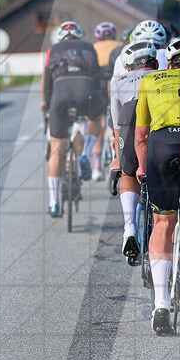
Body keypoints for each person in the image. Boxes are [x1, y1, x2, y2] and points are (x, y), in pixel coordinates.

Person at [133, 37, 180, 335]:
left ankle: (161, 304)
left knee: (163, 221)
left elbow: (140, 135)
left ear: (167, 64)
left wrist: (141, 167)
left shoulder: (150, 79)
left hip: (161, 146)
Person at [41, 21, 106, 217]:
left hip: (59, 96)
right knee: (96, 118)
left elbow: (47, 81)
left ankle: (53, 203)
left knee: (56, 150)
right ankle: (85, 153)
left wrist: (47, 104)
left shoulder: (52, 51)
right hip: (85, 91)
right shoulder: (88, 47)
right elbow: (97, 76)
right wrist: (99, 99)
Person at [109, 41, 159, 260]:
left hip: (129, 123)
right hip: (157, 127)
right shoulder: (161, 78)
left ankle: (130, 226)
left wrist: (118, 159)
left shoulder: (119, 82)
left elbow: (116, 128)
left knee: (128, 173)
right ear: (156, 63)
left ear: (128, 67)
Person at [84, 21, 122, 181]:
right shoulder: (120, 45)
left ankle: (97, 167)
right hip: (114, 83)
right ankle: (117, 154)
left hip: (97, 85)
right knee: (117, 121)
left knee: (97, 123)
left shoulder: (93, 47)